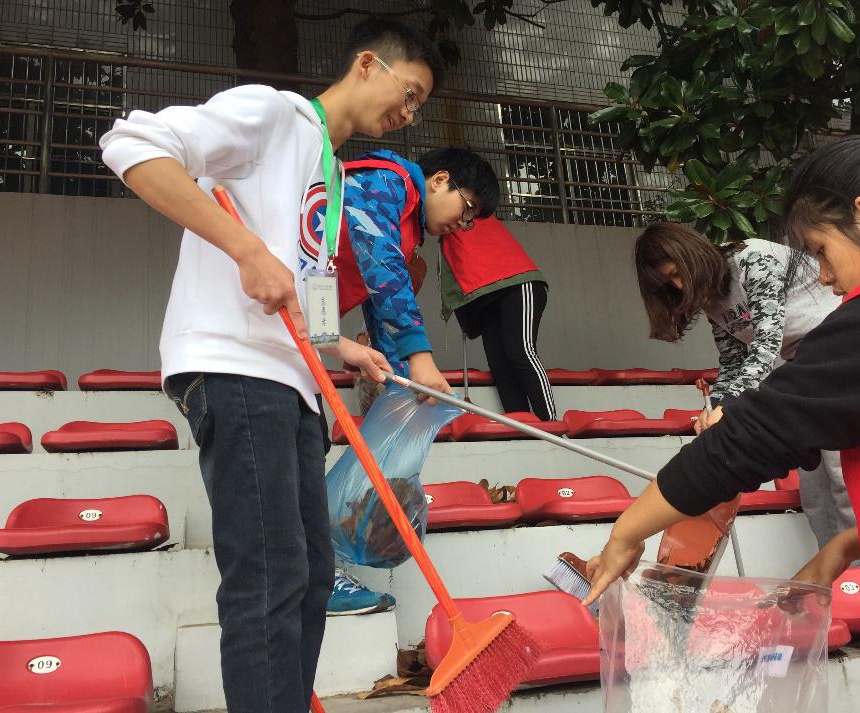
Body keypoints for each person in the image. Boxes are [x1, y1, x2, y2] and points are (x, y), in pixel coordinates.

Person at [584, 118, 860, 711]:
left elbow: (759, 434)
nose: (823, 277)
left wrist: (627, 532)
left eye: (821, 251)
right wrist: (845, 546)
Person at [99, 17, 444, 713]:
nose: (408, 115)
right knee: (269, 572)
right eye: (408, 93)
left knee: (311, 573)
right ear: (367, 65)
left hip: (293, 381)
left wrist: (341, 346)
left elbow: (310, 287)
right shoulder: (273, 114)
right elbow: (131, 142)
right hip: (233, 366)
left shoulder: (330, 170)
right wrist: (245, 249)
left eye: (418, 107)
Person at [325, 145, 499, 615]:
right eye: (467, 208)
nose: (462, 224)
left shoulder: (406, 228)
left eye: (471, 221)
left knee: (304, 450)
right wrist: (419, 358)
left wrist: (404, 383)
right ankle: (311, 578)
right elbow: (381, 268)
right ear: (439, 180)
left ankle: (317, 572)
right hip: (262, 327)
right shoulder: (389, 182)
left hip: (295, 333)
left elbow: (378, 304)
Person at [634, 223, 853, 546]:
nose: (679, 286)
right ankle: (836, 571)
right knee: (815, 493)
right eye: (670, 284)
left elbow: (766, 343)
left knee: (843, 477)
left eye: (677, 273)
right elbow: (733, 360)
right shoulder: (711, 300)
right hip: (802, 366)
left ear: (692, 254)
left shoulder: (753, 259)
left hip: (839, 353)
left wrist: (729, 406)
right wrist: (714, 407)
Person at [440, 215, 557, 420]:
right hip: (487, 298)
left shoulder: (469, 209)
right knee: (499, 365)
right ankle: (521, 425)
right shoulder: (443, 232)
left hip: (517, 283)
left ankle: (551, 424)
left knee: (520, 351)